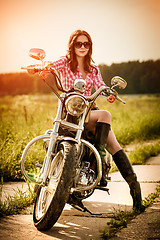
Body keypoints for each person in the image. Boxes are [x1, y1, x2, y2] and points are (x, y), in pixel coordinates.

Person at [40, 29, 145, 212]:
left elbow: (100, 84)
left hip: (90, 114)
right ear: (72, 46)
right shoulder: (65, 62)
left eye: (86, 44)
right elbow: (52, 65)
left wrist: (108, 92)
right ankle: (100, 159)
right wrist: (42, 67)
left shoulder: (93, 68)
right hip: (70, 112)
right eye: (78, 44)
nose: (82, 47)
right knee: (106, 116)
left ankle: (135, 192)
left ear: (90, 46)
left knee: (115, 145)